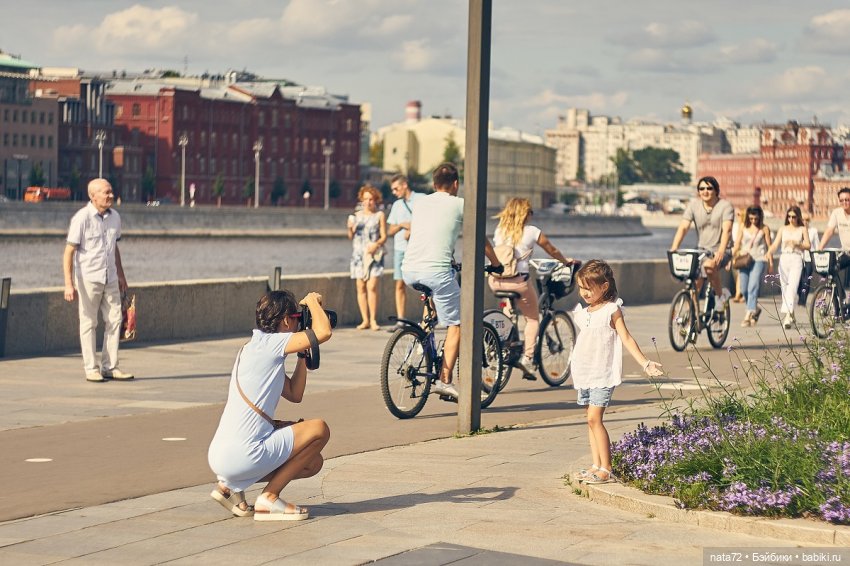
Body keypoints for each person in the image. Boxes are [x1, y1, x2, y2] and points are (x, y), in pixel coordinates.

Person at [207, 290, 331, 521]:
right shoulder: (274, 343)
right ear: (286, 320)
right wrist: (313, 302)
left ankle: (229, 488)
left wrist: (302, 358)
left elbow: (295, 394)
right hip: (244, 454)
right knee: (320, 429)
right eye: (296, 318)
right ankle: (270, 498)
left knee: (313, 463)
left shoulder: (253, 348)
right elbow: (323, 331)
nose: (298, 323)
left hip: (220, 456)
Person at [401, 162, 501, 399]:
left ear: (434, 185)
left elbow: (432, 233)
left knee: (433, 314)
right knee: (457, 324)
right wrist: (496, 262)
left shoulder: (420, 202)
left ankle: (418, 349)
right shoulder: (461, 204)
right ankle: (444, 380)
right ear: (456, 184)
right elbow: (479, 237)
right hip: (436, 272)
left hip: (409, 270)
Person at [570, 260, 662, 485]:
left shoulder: (612, 310)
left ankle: (606, 468)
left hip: (603, 372)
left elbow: (626, 338)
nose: (584, 293)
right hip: (584, 371)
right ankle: (595, 464)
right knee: (589, 421)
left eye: (589, 288)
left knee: (595, 418)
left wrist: (645, 363)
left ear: (604, 286)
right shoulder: (584, 312)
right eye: (581, 288)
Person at [488, 197, 575, 372]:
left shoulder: (500, 230)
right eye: (530, 212)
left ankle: (504, 342)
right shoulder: (532, 231)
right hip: (517, 282)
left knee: (509, 313)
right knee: (533, 318)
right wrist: (565, 262)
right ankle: (527, 358)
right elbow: (552, 250)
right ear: (524, 213)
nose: (531, 215)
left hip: (495, 281)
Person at [62, 178, 133, 383]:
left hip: (109, 277)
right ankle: (91, 368)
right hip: (88, 278)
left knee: (115, 320)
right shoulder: (82, 218)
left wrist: (120, 274)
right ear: (93, 196)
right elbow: (69, 252)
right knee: (89, 323)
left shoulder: (115, 217)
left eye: (111, 191)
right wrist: (69, 283)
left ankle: (110, 366)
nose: (110, 195)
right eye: (106, 192)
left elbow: (114, 248)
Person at [669, 176, 734, 312]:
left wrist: (721, 251)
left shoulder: (725, 206)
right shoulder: (694, 206)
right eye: (702, 188)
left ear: (716, 190)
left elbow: (727, 230)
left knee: (710, 266)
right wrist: (674, 247)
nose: (705, 191)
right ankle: (692, 316)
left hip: (722, 249)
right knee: (694, 281)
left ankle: (720, 297)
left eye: (709, 188)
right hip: (701, 250)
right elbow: (684, 227)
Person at [347, 185, 387, 330]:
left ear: (375, 200)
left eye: (371, 199)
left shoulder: (379, 215)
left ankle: (373, 320)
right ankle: (365, 320)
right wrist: (349, 227)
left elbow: (384, 236)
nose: (368, 202)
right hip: (358, 255)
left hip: (373, 254)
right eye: (365, 199)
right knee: (361, 287)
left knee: (372, 286)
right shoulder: (356, 216)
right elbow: (351, 236)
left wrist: (376, 244)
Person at [385, 174, 422, 327]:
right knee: (399, 284)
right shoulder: (397, 205)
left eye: (396, 188)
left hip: (419, 249)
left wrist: (413, 228)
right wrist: (401, 225)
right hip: (400, 249)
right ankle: (401, 320)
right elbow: (390, 231)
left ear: (405, 185)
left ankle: (428, 318)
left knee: (426, 285)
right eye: (392, 189)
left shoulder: (421, 199)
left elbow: (430, 221)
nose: (394, 192)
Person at [766, 205, 810, 329]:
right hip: (784, 259)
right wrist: (769, 252)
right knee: (785, 287)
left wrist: (797, 243)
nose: (791, 219)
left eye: (794, 217)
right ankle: (792, 313)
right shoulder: (783, 229)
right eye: (789, 216)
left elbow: (808, 245)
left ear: (798, 217)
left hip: (796, 258)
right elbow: (775, 244)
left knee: (792, 287)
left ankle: (787, 317)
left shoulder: (802, 229)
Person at [731, 206, 773, 327]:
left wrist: (770, 263)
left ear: (760, 217)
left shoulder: (764, 228)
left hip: (759, 260)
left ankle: (748, 315)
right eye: (751, 218)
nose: (753, 221)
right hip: (744, 260)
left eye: (756, 218)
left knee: (752, 286)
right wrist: (730, 258)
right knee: (744, 289)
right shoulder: (743, 227)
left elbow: (769, 247)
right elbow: (737, 243)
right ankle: (755, 308)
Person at [819, 187, 850, 273]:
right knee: (831, 267)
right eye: (842, 200)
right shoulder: (837, 213)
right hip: (846, 253)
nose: (844, 202)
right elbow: (829, 231)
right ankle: (832, 286)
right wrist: (820, 248)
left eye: (847, 200)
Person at [798, 208, 819, 305]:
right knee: (799, 279)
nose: (805, 222)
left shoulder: (813, 231)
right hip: (799, 258)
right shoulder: (798, 230)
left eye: (807, 220)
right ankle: (799, 295)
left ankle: (802, 301)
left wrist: (818, 258)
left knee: (807, 280)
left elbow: (817, 246)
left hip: (810, 259)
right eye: (803, 220)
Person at [731, 207, 746, 303]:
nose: (738, 217)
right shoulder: (736, 226)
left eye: (740, 215)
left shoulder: (745, 226)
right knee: (737, 275)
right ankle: (739, 294)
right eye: (737, 215)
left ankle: (740, 294)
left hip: (744, 253)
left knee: (741, 274)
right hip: (736, 252)